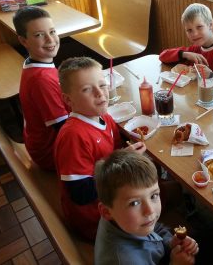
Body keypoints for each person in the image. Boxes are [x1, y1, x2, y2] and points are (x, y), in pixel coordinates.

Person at [54, 57, 146, 240]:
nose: (100, 93)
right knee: (158, 197)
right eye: (87, 89)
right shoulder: (73, 136)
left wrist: (125, 155)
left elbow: (117, 150)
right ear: (68, 99)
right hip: (96, 220)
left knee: (158, 188)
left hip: (111, 194)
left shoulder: (105, 117)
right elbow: (80, 194)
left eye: (102, 85)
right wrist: (123, 162)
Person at [94, 149, 198, 265]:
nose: (150, 211)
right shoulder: (125, 260)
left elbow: (155, 229)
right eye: (134, 203)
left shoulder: (125, 219)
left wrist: (170, 242)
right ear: (106, 212)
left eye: (154, 195)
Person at [13, 6, 70, 171]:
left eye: (52, 32)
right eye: (39, 35)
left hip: (39, 142)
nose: (50, 40)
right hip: (50, 153)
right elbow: (65, 131)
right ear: (23, 41)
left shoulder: (35, 63)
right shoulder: (41, 80)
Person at [159, 3, 213, 93]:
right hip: (199, 96)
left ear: (210, 25)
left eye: (199, 27)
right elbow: (163, 56)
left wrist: (212, 75)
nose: (195, 34)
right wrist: (184, 54)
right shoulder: (196, 48)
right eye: (189, 30)